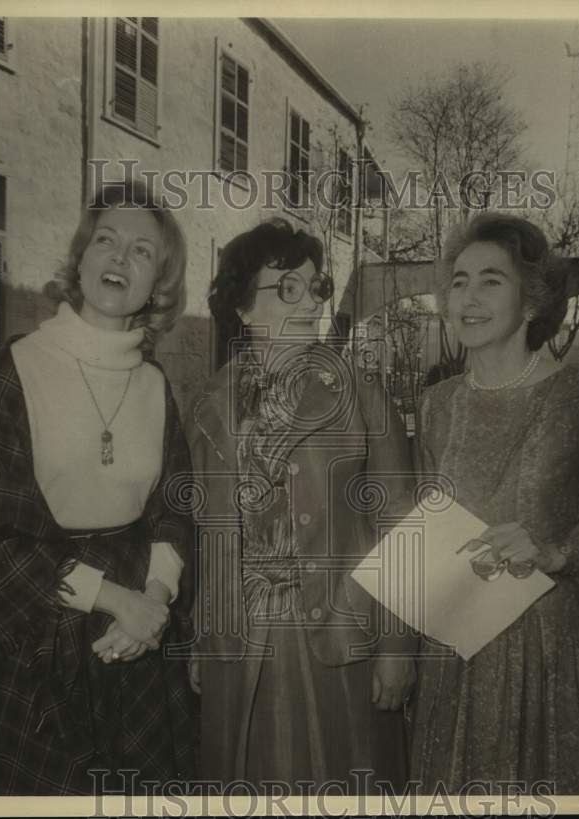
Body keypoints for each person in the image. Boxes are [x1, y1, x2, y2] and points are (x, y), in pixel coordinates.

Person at [0, 180, 196, 795]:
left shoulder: (156, 386)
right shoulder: (18, 366)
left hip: (134, 643)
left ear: (158, 283)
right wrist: (115, 599)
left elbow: (174, 512)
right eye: (105, 240)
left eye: (141, 251)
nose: (118, 258)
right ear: (79, 259)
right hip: (34, 635)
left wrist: (152, 603)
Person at [408, 212, 579, 794]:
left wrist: (560, 553)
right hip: (453, 656)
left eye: (491, 280)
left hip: (553, 661)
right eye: (458, 281)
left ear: (532, 301)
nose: (469, 297)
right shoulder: (435, 406)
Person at [185, 218, 417, 792]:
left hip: (339, 636)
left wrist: (396, 645)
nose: (311, 300)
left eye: (316, 287)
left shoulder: (361, 391)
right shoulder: (208, 403)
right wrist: (201, 635)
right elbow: (208, 533)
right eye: (287, 287)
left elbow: (401, 523)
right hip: (237, 642)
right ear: (241, 307)